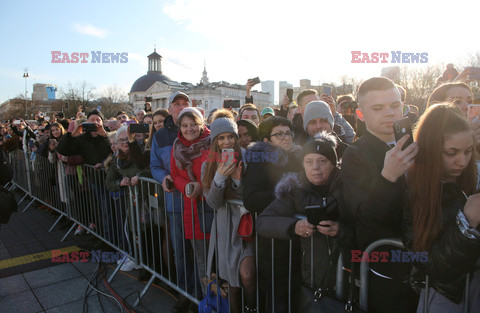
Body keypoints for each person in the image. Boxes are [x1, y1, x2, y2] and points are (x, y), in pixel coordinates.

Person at [341, 77, 419, 313]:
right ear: (360, 114)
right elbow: (364, 218)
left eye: (395, 106)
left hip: (427, 263)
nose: (389, 113)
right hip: (385, 268)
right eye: (378, 108)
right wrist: (388, 178)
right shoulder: (354, 154)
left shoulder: (419, 144)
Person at [256, 133, 352, 311]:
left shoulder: (349, 187)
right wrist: (294, 226)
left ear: (333, 163)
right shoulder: (295, 190)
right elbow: (263, 222)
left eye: (322, 161)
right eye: (309, 162)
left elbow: (370, 226)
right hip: (311, 282)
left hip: (350, 278)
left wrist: (341, 230)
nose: (315, 168)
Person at [403, 103, 480, 313]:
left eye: (468, 152)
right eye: (451, 153)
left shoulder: (471, 180)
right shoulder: (412, 190)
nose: (462, 161)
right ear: (430, 149)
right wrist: (467, 224)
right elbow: (428, 263)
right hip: (445, 297)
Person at [243, 116, 302, 313]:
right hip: (273, 242)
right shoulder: (260, 161)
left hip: (296, 237)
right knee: (278, 294)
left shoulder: (297, 157)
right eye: (279, 135)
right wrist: (284, 190)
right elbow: (250, 199)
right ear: (267, 141)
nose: (286, 138)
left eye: (288, 133)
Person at [201, 112, 256, 313]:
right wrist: (219, 177)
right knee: (232, 283)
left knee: (247, 275)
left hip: (247, 227)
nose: (226, 142)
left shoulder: (248, 159)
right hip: (225, 228)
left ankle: (252, 308)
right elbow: (213, 203)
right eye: (221, 138)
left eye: (231, 136)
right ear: (215, 140)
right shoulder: (208, 165)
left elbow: (249, 197)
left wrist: (237, 180)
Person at [150, 91, 199, 312]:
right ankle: (185, 293)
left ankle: (203, 293)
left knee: (201, 252)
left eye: (185, 104)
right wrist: (164, 177)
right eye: (176, 104)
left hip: (201, 204)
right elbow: (154, 165)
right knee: (180, 252)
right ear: (170, 109)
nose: (180, 107)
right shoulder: (160, 136)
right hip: (175, 203)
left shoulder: (199, 132)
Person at [170, 107, 211, 297]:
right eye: (185, 125)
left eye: (194, 123)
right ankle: (209, 302)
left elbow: (219, 170)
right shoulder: (177, 146)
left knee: (219, 261)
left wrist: (201, 186)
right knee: (202, 261)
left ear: (201, 123)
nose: (189, 129)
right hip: (192, 208)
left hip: (212, 205)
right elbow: (175, 174)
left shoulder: (212, 142)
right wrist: (188, 186)